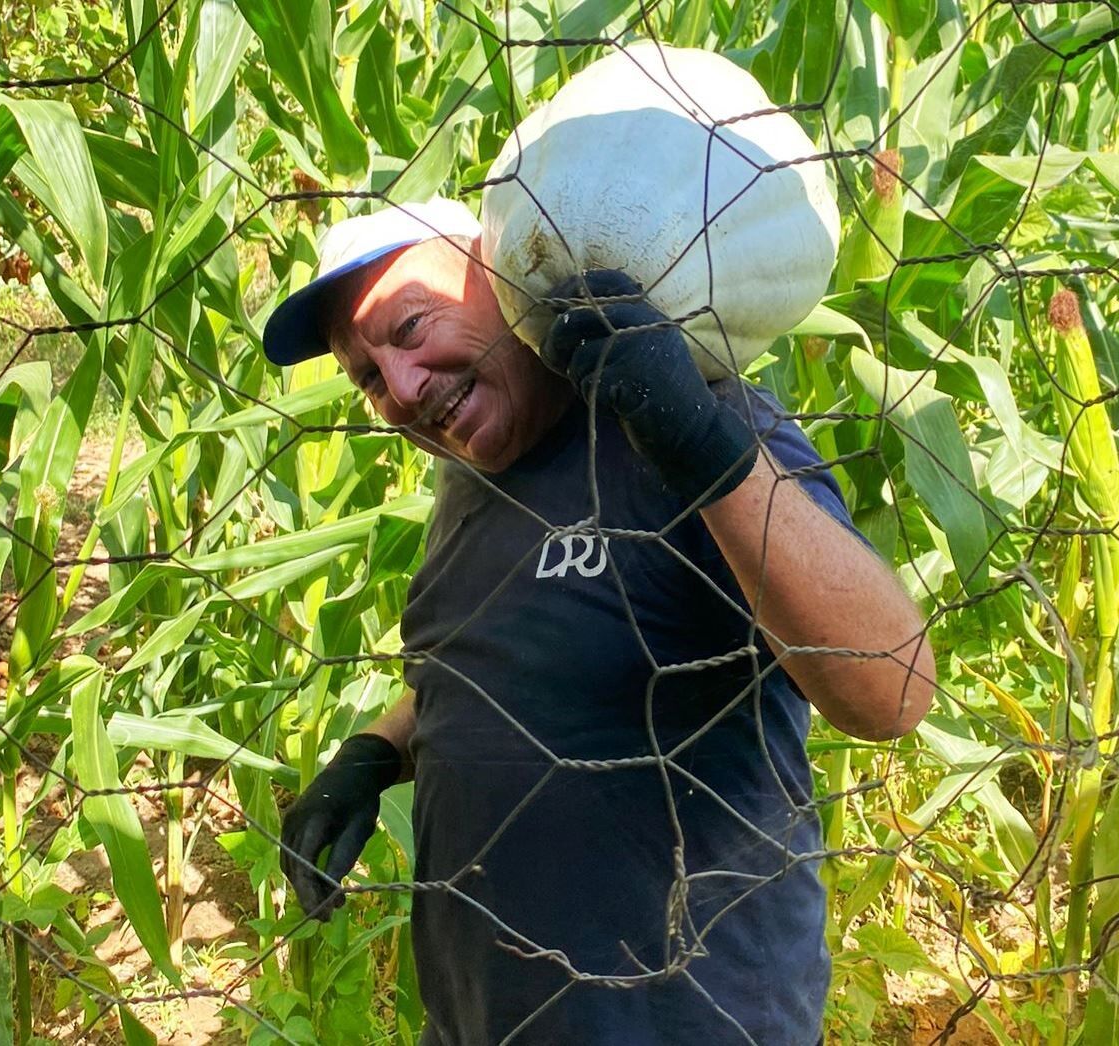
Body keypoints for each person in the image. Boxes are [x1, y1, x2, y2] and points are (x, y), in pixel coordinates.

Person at [265, 197, 935, 1045]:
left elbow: (893, 692)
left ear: (505, 273)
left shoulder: (692, 421)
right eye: (366, 376)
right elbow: (498, 660)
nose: (400, 390)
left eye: (408, 328)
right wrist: (376, 753)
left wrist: (700, 445)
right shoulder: (473, 478)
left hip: (680, 1018)